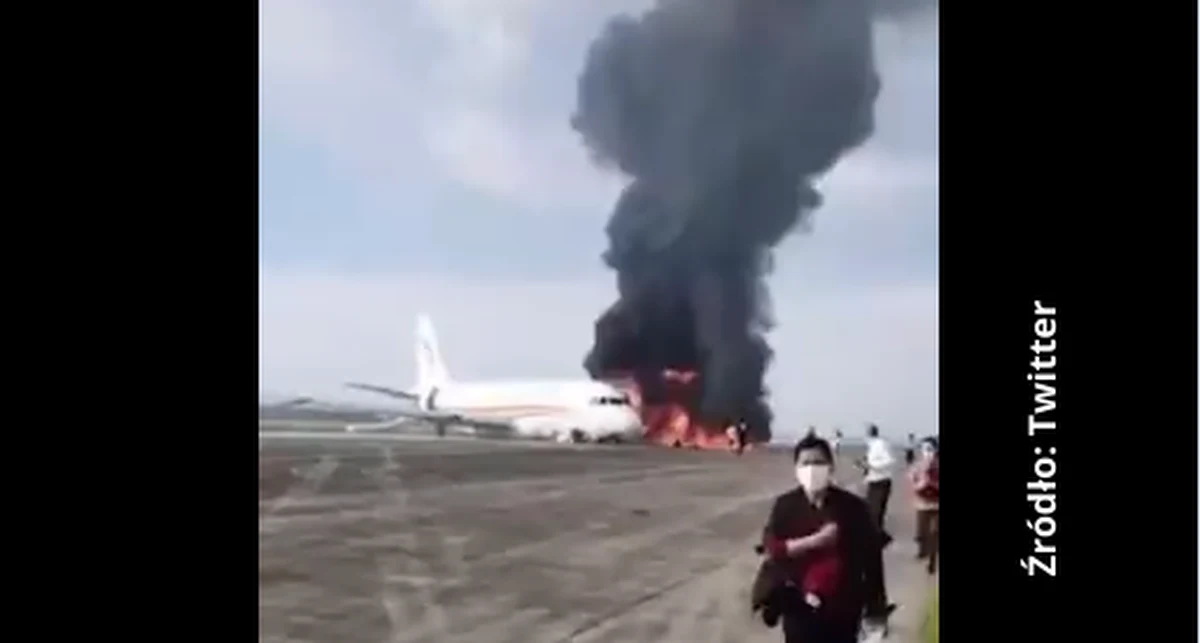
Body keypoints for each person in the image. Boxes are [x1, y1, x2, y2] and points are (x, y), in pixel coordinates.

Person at [752, 434, 892, 643]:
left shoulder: (854, 508)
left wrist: (876, 609)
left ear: (830, 467)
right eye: (806, 463)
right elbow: (772, 549)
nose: (812, 469)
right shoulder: (785, 506)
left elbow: (872, 559)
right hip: (798, 609)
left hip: (843, 610)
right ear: (796, 469)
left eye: (818, 462)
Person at [909, 436, 939, 575]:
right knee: (922, 533)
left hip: (937, 505)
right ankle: (923, 551)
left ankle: (932, 562)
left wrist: (932, 482)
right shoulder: (916, 466)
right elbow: (911, 482)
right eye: (925, 449)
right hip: (922, 505)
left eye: (930, 449)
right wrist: (920, 485)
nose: (928, 453)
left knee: (935, 533)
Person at [861, 424, 895, 533]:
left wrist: (872, 466)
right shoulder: (872, 445)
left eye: (866, 432)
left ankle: (875, 535)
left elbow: (890, 460)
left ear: (870, 433)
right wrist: (864, 466)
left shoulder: (880, 444)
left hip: (881, 482)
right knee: (871, 510)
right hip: (874, 481)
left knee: (876, 511)